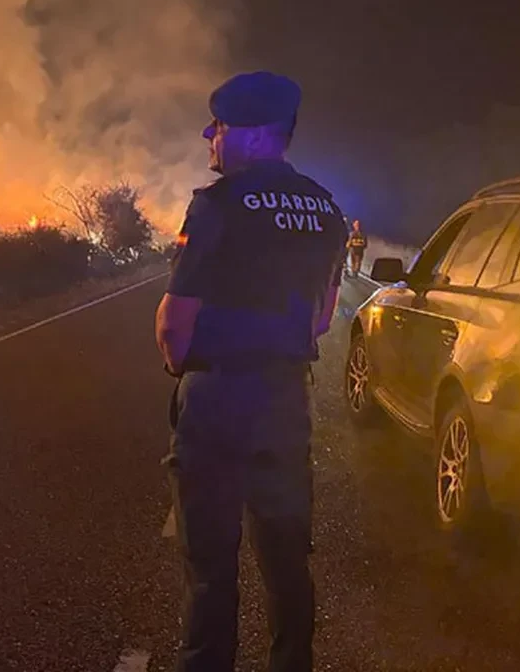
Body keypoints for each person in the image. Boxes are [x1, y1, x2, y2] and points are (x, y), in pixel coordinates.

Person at [155, 71, 347, 672]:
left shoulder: (217, 205)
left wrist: (184, 364)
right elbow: (320, 319)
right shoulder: (326, 209)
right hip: (285, 401)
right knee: (288, 559)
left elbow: (174, 322)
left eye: (221, 126)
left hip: (216, 401)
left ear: (258, 137)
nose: (210, 135)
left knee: (210, 565)